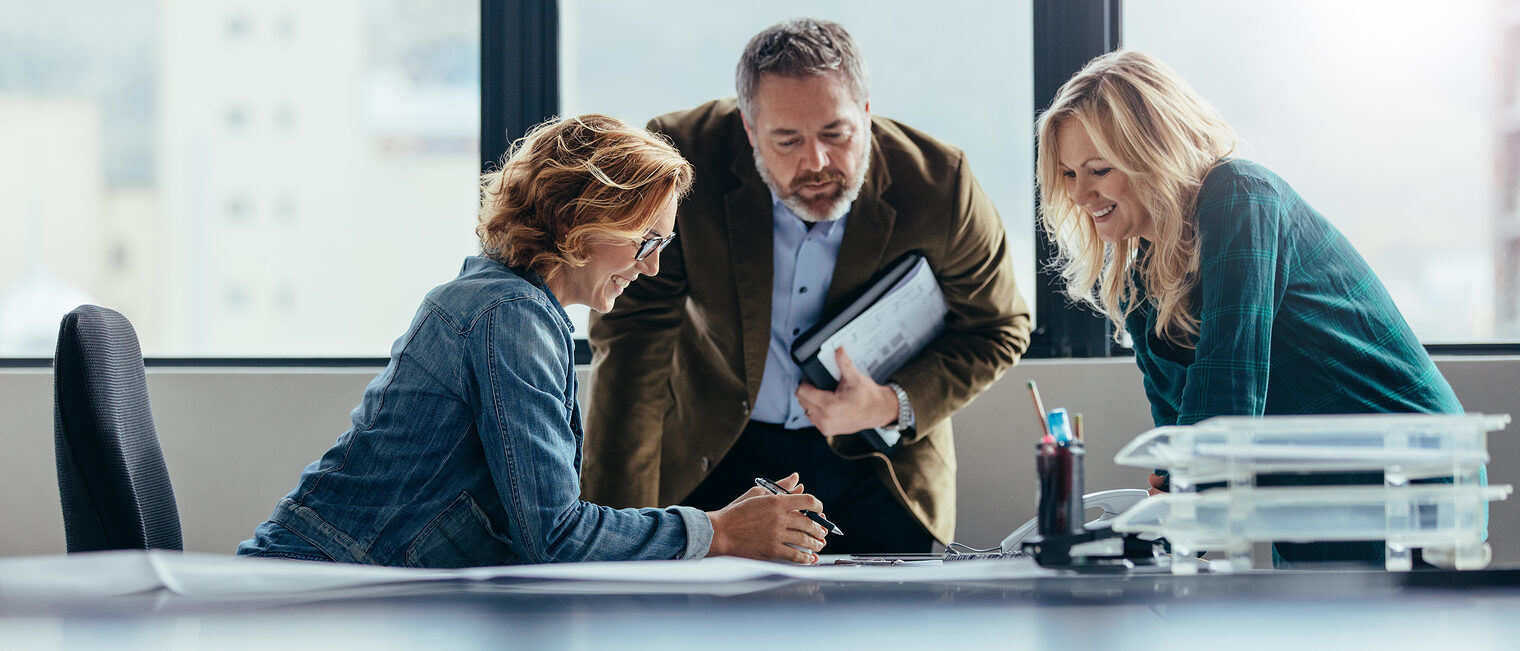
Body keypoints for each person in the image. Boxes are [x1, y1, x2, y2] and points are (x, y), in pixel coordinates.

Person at [237, 114, 830, 567]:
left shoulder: (508, 302)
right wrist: (720, 533)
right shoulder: (511, 316)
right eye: (645, 241)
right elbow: (556, 535)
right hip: (317, 586)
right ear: (584, 218)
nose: (650, 268)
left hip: (345, 581)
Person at [583, 18, 1031, 554]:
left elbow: (999, 326)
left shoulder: (940, 183)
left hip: (877, 464)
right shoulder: (684, 159)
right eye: (787, 140)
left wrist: (890, 404)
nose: (816, 162)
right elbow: (633, 337)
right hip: (719, 447)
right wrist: (617, 532)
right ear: (749, 130)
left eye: (836, 134)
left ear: (865, 114)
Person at [1035, 50, 1467, 565]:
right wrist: (1169, 492)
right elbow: (1181, 432)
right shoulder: (1137, 285)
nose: (1081, 194)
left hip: (1399, 472)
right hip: (1305, 486)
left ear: (1152, 152)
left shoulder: (1239, 194)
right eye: (1066, 174)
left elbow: (1228, 378)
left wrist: (1180, 489)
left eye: (1098, 170)